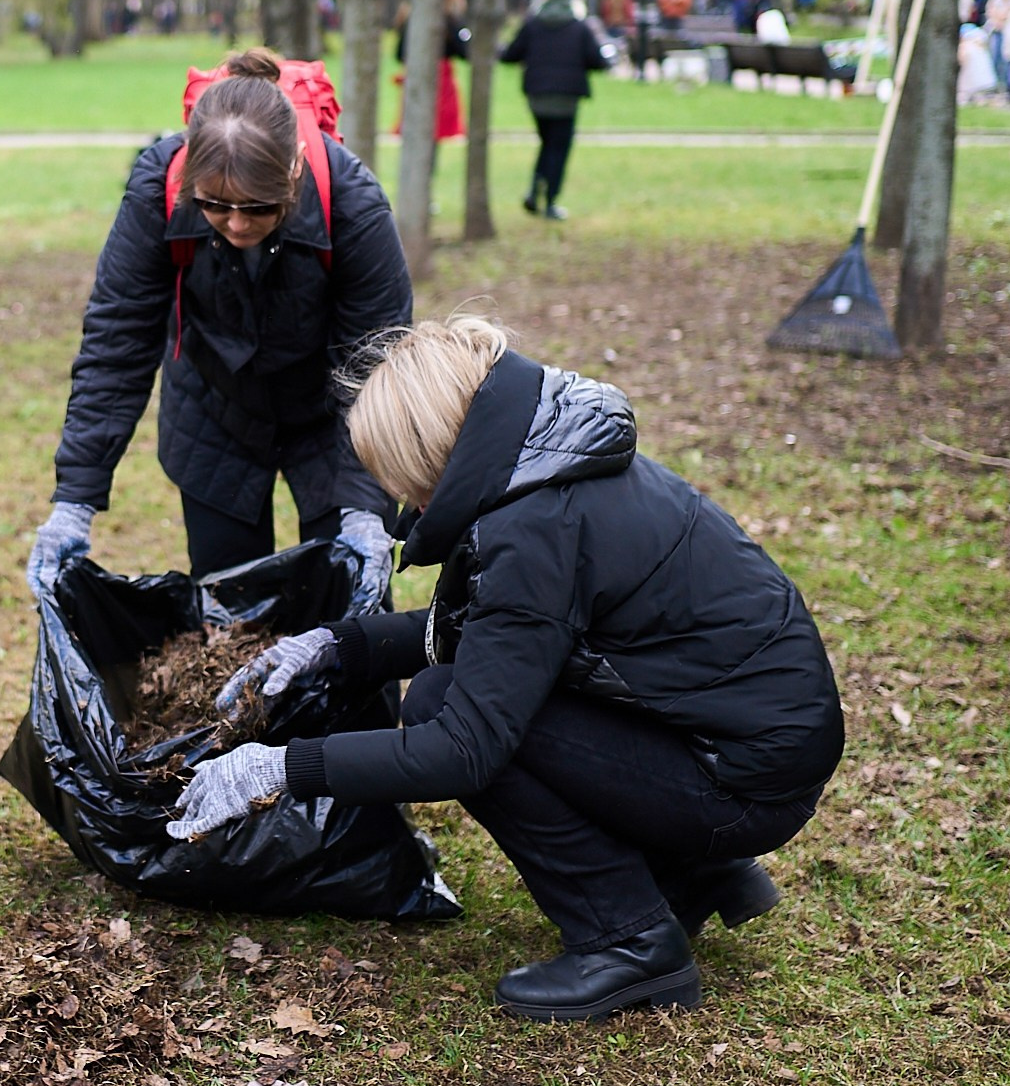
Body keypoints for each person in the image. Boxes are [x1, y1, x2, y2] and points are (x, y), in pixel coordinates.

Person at [167, 315, 842, 1022]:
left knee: (443, 707)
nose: (406, 503)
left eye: (403, 479)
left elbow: (462, 749)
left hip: (739, 780)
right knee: (461, 693)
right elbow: (496, 631)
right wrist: (337, 643)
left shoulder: (534, 527)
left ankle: (631, 940)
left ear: (433, 452)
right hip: (737, 738)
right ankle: (691, 873)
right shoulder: (553, 458)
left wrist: (279, 767)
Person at [31, 48, 410, 592]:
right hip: (213, 408)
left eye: (259, 207)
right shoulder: (158, 189)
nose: (236, 224)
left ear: (296, 167)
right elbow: (118, 343)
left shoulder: (354, 205)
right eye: (214, 205)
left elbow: (375, 362)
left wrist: (366, 510)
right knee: (229, 604)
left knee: (347, 595)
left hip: (334, 413)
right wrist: (74, 502)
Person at [499, 0, 610, 221]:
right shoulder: (579, 27)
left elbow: (511, 54)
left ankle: (534, 190)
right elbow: (597, 60)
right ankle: (550, 200)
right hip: (567, 98)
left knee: (547, 143)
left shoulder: (533, 24)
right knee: (558, 148)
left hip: (537, 96)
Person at [392, 0, 470, 142]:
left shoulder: (413, 18)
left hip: (417, 75)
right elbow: (465, 51)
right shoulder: (449, 20)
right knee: (434, 129)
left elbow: (399, 54)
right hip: (441, 80)